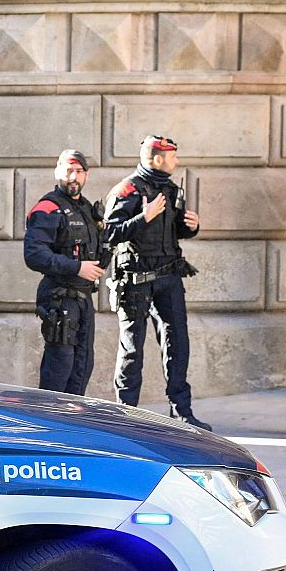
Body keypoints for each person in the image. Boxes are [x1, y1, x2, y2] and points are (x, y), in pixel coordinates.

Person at [103, 135, 209, 430]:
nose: (177, 161)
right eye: (172, 156)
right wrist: (143, 217)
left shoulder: (172, 189)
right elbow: (109, 234)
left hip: (168, 278)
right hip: (135, 281)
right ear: (157, 158)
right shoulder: (127, 189)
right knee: (132, 348)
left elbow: (174, 232)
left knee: (178, 344)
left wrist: (191, 227)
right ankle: (127, 416)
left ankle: (182, 412)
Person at [23, 149, 103, 395]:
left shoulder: (87, 210)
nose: (73, 176)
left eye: (79, 171)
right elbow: (34, 255)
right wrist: (77, 267)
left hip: (83, 300)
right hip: (60, 300)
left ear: (86, 175)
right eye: (68, 170)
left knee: (82, 367)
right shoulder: (47, 208)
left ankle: (73, 426)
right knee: (59, 370)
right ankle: (47, 427)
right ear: (58, 172)